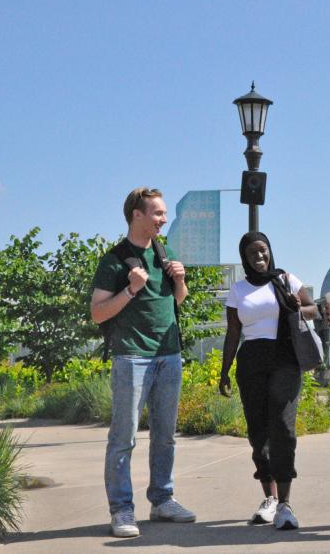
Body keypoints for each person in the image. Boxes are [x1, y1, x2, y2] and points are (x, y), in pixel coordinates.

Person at [90, 187, 196, 538]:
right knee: (124, 438)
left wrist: (179, 281)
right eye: (157, 213)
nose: (164, 219)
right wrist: (131, 289)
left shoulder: (165, 253)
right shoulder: (114, 260)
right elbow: (98, 313)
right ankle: (122, 509)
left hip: (169, 354)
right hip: (132, 356)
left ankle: (162, 500)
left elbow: (176, 302)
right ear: (137, 215)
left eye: (164, 213)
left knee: (165, 436)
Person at [219, 231, 317, 530]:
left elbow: (315, 310)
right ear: (244, 258)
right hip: (251, 361)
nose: (259, 257)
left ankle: (286, 505)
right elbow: (233, 332)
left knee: (283, 428)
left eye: (263, 251)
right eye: (252, 254)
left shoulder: (287, 279)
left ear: (270, 251)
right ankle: (270, 499)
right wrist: (224, 371)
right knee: (258, 431)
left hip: (285, 359)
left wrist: (295, 306)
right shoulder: (238, 290)